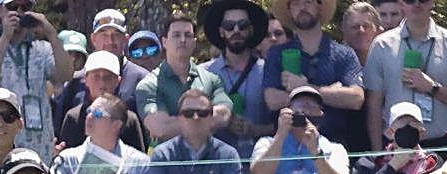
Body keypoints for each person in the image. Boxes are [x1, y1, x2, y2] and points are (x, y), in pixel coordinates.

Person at [363, 0, 447, 150]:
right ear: (401, 3)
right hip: (395, 144)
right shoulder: (382, 45)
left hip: (442, 144)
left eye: (423, 0)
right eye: (410, 0)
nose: (417, 4)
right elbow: (374, 104)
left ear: (433, 2)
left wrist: (434, 88)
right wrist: (377, 153)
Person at [0, 0, 74, 161]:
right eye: (12, 7)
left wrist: (52, 34)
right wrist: (5, 37)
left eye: (25, 8)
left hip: (39, 146)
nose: (19, 12)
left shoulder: (43, 48)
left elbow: (65, 75)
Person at [263, 0, 365, 147]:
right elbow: (272, 100)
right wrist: (332, 93)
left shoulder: (344, 54)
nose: (302, 7)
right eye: (296, 4)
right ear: (289, 10)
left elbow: (356, 99)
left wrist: (304, 87)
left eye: (308, 2)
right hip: (287, 148)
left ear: (320, 7)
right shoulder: (277, 54)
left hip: (334, 146)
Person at [135, 11, 226, 144]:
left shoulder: (212, 79)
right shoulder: (149, 85)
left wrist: (176, 121)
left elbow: (224, 115)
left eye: (188, 35)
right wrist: (205, 117)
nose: (183, 40)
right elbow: (160, 128)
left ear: (194, 42)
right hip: (168, 162)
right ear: (164, 42)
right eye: (176, 35)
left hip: (207, 161)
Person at [205, 0, 276, 156]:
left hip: (262, 162)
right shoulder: (205, 73)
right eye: (229, 26)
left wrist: (256, 130)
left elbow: (284, 122)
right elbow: (194, 121)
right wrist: (221, 122)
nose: (236, 30)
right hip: (217, 164)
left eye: (242, 25)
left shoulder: (268, 71)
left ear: (250, 29)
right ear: (221, 31)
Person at [57, 52, 148, 151]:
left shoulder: (129, 119)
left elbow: (137, 162)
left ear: (118, 81)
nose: (102, 83)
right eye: (96, 77)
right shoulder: (74, 117)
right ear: (86, 80)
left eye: (108, 77)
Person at [88, 8, 152, 102]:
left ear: (126, 39)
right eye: (104, 35)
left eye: (116, 34)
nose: (110, 41)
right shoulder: (77, 81)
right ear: (93, 39)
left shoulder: (142, 79)